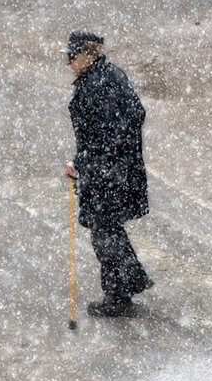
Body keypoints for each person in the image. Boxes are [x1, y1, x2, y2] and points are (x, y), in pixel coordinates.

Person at [62, 30, 153, 317]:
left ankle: (119, 296)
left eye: (71, 56)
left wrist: (81, 161)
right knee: (108, 229)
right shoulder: (109, 75)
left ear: (87, 56)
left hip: (108, 173)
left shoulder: (97, 85)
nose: (67, 62)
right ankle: (129, 282)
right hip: (117, 170)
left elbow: (110, 136)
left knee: (105, 233)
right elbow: (134, 116)